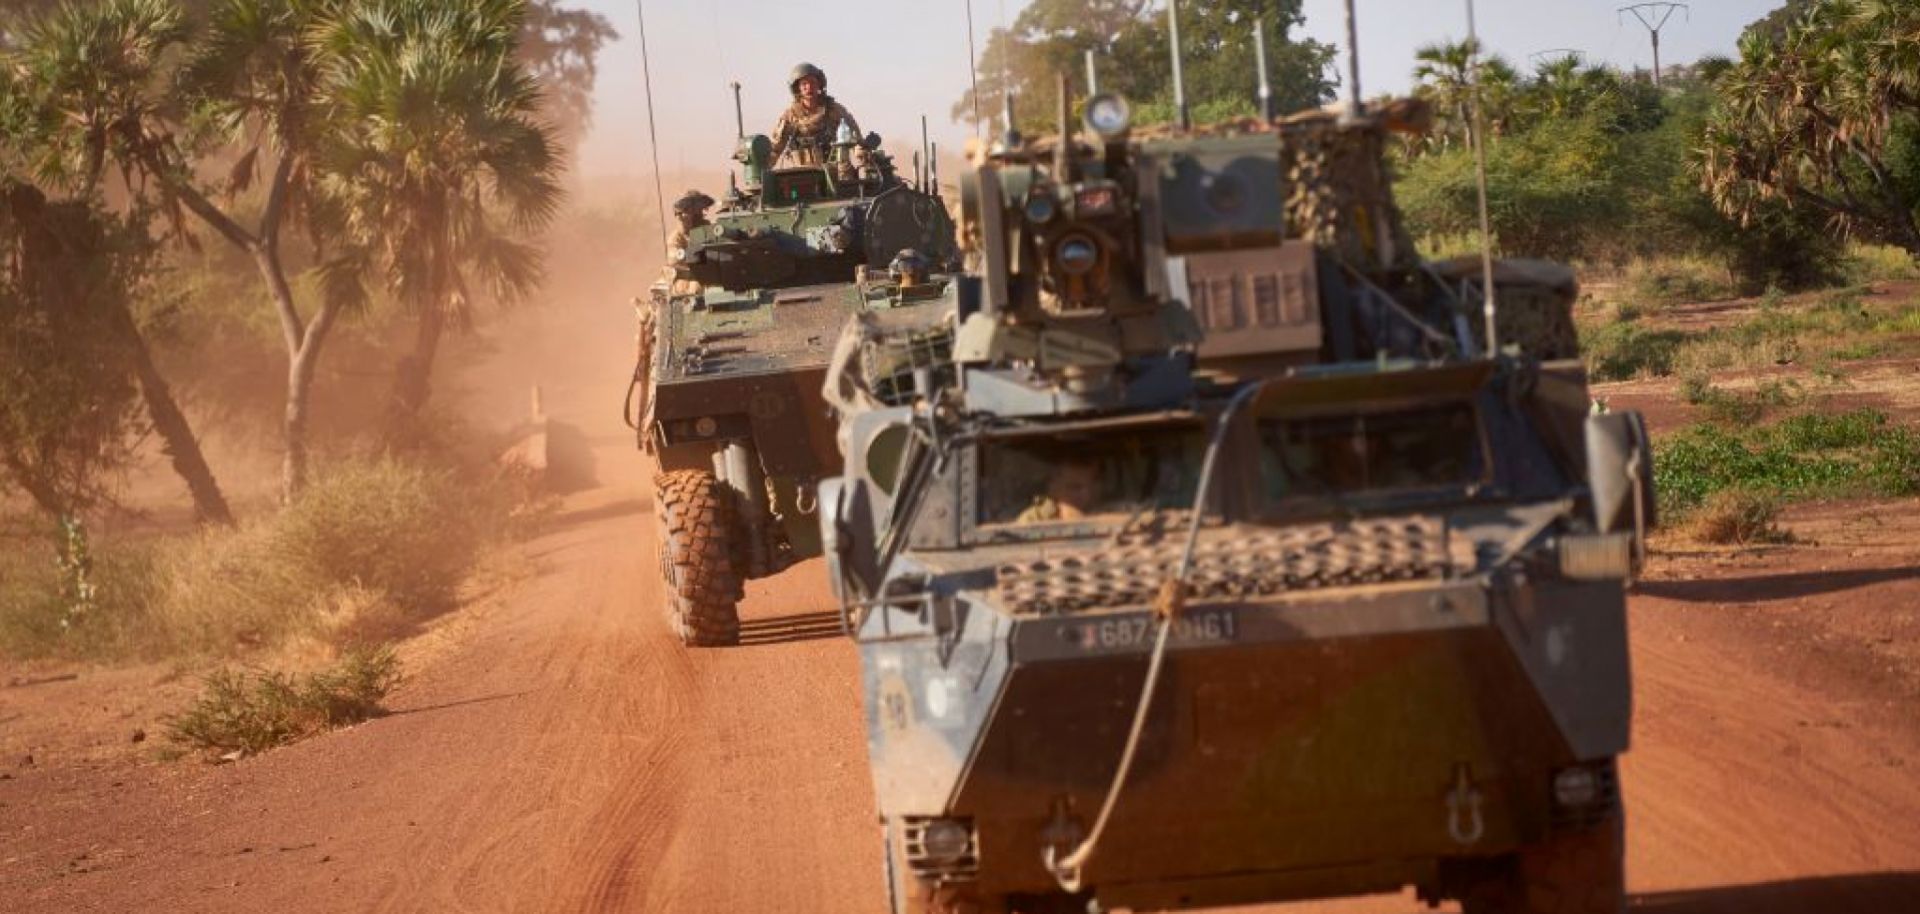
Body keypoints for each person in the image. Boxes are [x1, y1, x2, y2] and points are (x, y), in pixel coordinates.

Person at [769, 62, 863, 167]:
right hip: (804, 175)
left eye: (813, 82)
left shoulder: (834, 110)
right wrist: (762, 171)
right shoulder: (791, 116)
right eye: (804, 84)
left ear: (819, 84)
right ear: (797, 88)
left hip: (835, 172)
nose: (809, 87)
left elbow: (856, 139)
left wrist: (862, 155)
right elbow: (775, 149)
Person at [1015, 456, 1104, 524]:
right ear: (1053, 488)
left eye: (1092, 486)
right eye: (1074, 487)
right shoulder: (1034, 519)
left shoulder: (1110, 511)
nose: (1086, 494)